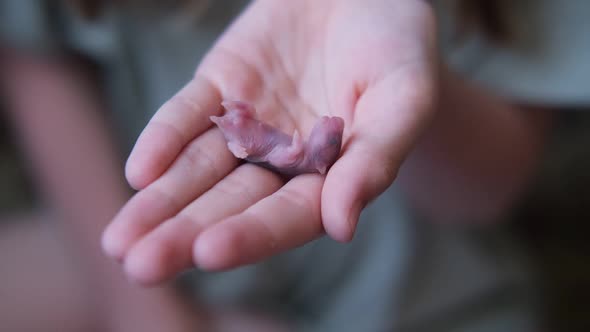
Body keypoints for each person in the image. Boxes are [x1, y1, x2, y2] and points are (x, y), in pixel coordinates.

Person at [1, 0, 588, 331]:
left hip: (405, 297)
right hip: (170, 240)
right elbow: (35, 56)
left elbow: (489, 188)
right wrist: (146, 314)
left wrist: (410, 80)